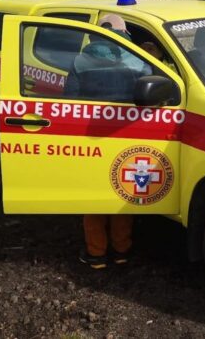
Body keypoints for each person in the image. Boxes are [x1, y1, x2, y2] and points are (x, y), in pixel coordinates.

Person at [77, 14, 136, 269]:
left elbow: (68, 99)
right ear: (124, 34)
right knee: (122, 192)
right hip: (128, 135)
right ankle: (122, 251)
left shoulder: (80, 61)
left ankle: (96, 254)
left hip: (92, 137)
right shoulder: (137, 60)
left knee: (94, 197)